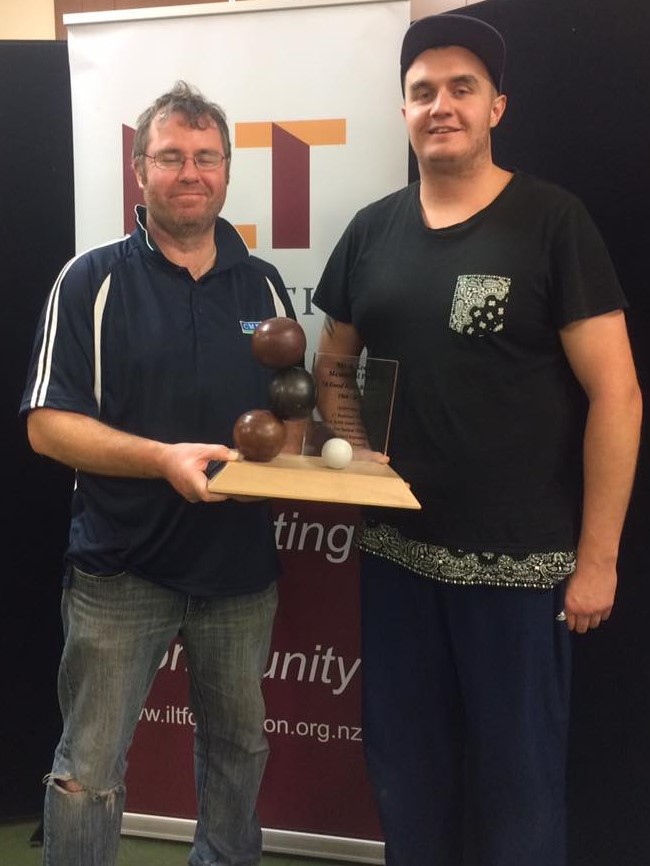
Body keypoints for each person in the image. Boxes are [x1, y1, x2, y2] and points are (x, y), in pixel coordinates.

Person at [313, 14, 642, 866]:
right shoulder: (371, 230)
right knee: (406, 774)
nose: (441, 105)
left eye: (462, 88)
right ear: (403, 112)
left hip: (520, 568)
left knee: (519, 785)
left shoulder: (551, 222)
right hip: (395, 557)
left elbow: (617, 394)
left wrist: (598, 558)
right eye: (423, 92)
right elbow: (332, 365)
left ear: (499, 105)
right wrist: (353, 447)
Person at [20, 81, 296, 866]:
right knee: (89, 772)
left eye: (206, 158)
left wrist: (340, 446)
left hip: (239, 573)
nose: (190, 173)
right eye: (171, 156)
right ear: (139, 169)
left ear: (227, 171)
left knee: (239, 755)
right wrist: (161, 460)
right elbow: (47, 427)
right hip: (121, 567)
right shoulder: (91, 280)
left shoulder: (265, 285)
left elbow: (291, 416)